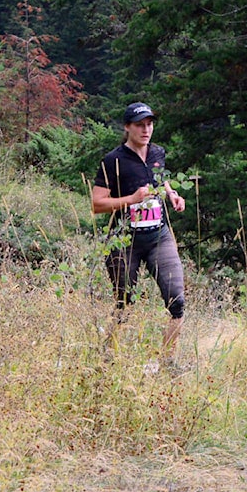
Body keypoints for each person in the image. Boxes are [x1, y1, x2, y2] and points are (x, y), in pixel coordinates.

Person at [92, 102, 187, 363]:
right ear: (127, 127)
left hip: (159, 236)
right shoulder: (113, 160)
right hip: (124, 242)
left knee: (177, 301)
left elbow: (160, 177)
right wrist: (131, 199)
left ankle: (166, 363)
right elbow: (97, 204)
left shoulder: (157, 152)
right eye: (140, 125)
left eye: (150, 124)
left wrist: (172, 195)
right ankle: (107, 358)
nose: (146, 130)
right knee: (124, 305)